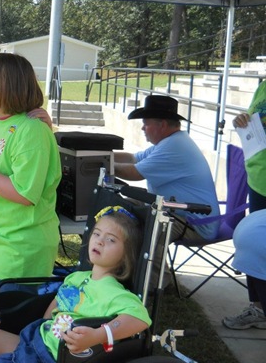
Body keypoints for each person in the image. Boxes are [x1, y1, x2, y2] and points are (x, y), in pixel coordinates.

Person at [0, 207, 151, 363]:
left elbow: (140, 319)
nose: (100, 242)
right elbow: (56, 303)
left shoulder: (113, 292)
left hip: (52, 358)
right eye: (97, 234)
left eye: (111, 240)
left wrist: (98, 335)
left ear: (126, 255)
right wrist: (45, 323)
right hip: (36, 342)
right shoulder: (77, 277)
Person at [0, 53, 61, 317]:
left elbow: (24, 193)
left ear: (13, 86)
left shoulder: (31, 131)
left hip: (20, 250)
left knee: (7, 325)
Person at [113, 95, 221, 242]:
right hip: (178, 211)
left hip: (196, 224)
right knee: (119, 208)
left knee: (144, 231)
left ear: (162, 125)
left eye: (146, 123)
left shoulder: (174, 146)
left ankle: (146, 258)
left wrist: (102, 163)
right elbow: (132, 158)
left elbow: (135, 173)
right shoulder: (171, 141)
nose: (143, 128)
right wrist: (104, 155)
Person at [222, 83, 266, 330]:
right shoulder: (263, 87)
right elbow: (252, 120)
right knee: (253, 245)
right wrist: (241, 120)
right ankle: (257, 308)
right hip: (258, 179)